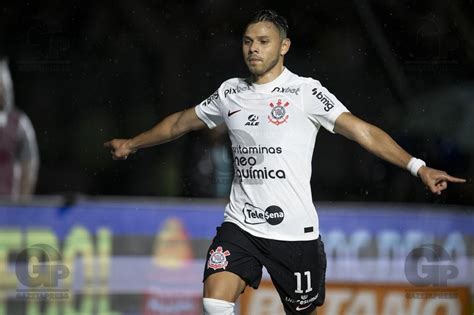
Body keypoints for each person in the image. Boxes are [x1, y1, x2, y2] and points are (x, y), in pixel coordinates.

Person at [104, 10, 465, 315]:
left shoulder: (306, 92)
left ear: (284, 47)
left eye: (263, 41)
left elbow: (363, 132)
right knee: (215, 300)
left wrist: (418, 166)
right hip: (241, 224)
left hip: (294, 234)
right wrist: (133, 143)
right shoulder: (231, 91)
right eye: (247, 41)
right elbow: (181, 122)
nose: (253, 49)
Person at [0, 58, 39, 199]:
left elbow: (29, 164)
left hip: (9, 205)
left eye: (3, 85)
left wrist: (22, 204)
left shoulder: (19, 123)